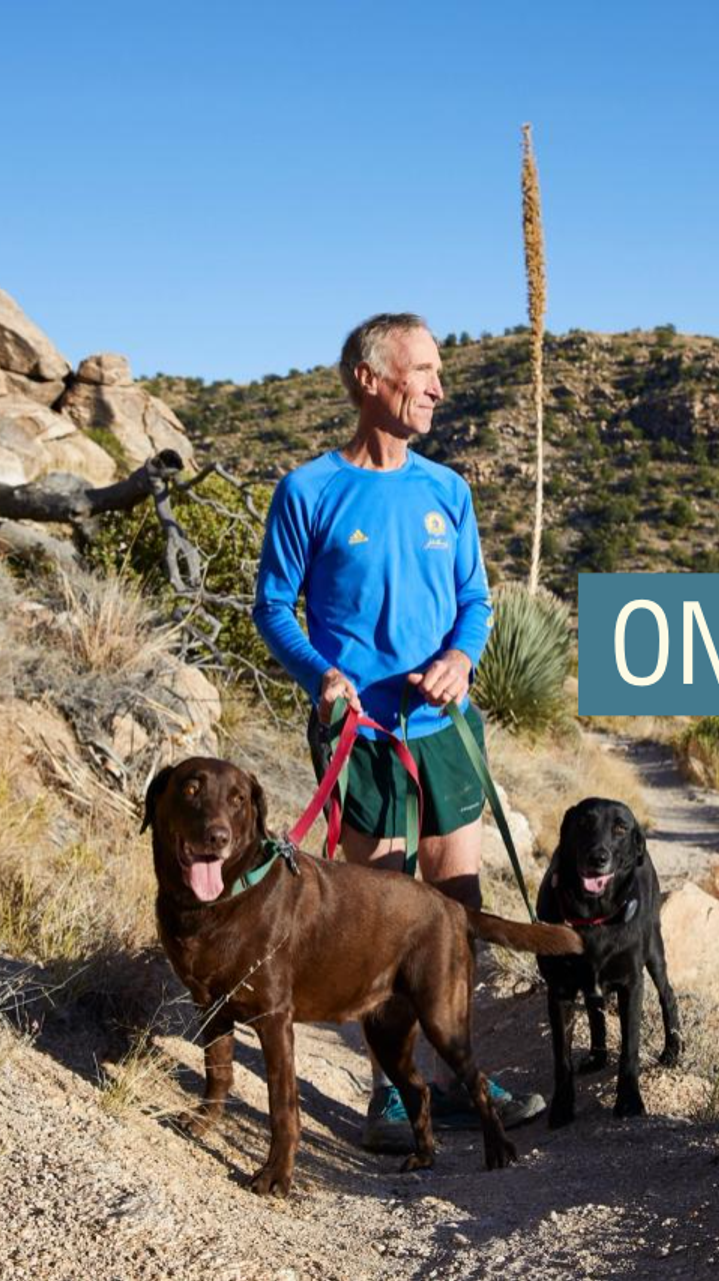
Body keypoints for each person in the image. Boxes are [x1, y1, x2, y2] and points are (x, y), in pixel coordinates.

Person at [252, 312, 545, 1152]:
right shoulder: (309, 490)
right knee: (374, 921)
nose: (439, 388)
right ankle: (390, 1093)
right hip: (362, 737)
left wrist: (461, 657)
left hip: (443, 728)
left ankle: (461, 1076)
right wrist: (322, 676)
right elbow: (274, 608)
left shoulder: (447, 492)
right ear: (369, 380)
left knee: (455, 909)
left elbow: (476, 604)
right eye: (423, 370)